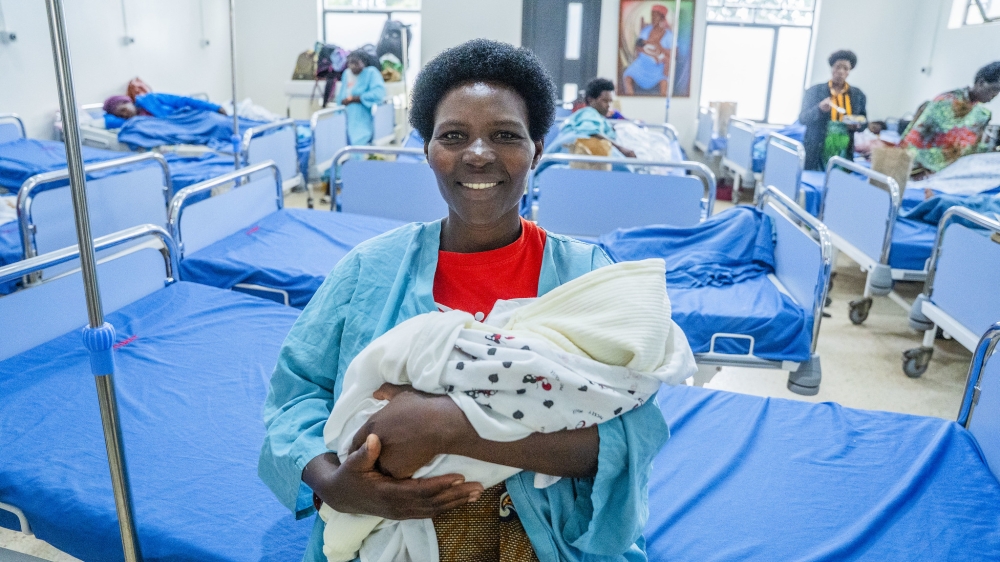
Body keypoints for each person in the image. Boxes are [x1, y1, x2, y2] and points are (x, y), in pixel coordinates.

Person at [259, 39, 669, 562]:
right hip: (383, 531)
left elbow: (631, 430)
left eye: (505, 135)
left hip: (549, 538)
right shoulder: (369, 271)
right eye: (453, 136)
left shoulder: (586, 277)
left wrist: (447, 425)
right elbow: (293, 397)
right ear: (427, 149)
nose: (478, 154)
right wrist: (337, 485)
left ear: (538, 148)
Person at [900, 61, 1000, 177]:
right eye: (994, 89)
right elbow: (921, 137)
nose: (995, 95)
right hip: (915, 168)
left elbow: (971, 147)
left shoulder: (980, 114)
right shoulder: (946, 101)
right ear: (981, 83)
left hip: (944, 173)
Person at [799, 50, 868, 171]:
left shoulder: (858, 95)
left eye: (845, 68)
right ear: (832, 68)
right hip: (817, 147)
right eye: (838, 67)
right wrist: (819, 108)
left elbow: (864, 122)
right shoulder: (815, 91)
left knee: (838, 182)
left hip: (844, 149)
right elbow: (803, 118)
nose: (841, 72)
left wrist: (857, 125)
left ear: (849, 71)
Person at [547, 78, 636, 157]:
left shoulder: (599, 118)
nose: (608, 105)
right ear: (590, 99)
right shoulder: (589, 112)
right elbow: (589, 131)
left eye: (610, 101)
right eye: (605, 101)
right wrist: (621, 149)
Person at [335, 50, 387, 145]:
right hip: (345, 115)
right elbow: (341, 96)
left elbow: (378, 94)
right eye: (350, 63)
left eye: (356, 63)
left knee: (358, 141)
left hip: (361, 116)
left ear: (364, 62)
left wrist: (356, 99)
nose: (352, 66)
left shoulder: (371, 73)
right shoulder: (346, 74)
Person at [623, 4, 673, 96]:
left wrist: (659, 46)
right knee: (627, 76)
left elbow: (673, 54)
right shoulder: (646, 30)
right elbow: (639, 46)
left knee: (664, 82)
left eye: (655, 16)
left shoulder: (668, 35)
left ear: (662, 17)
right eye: (652, 15)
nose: (653, 18)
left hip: (658, 67)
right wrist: (650, 53)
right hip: (641, 63)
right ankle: (631, 101)